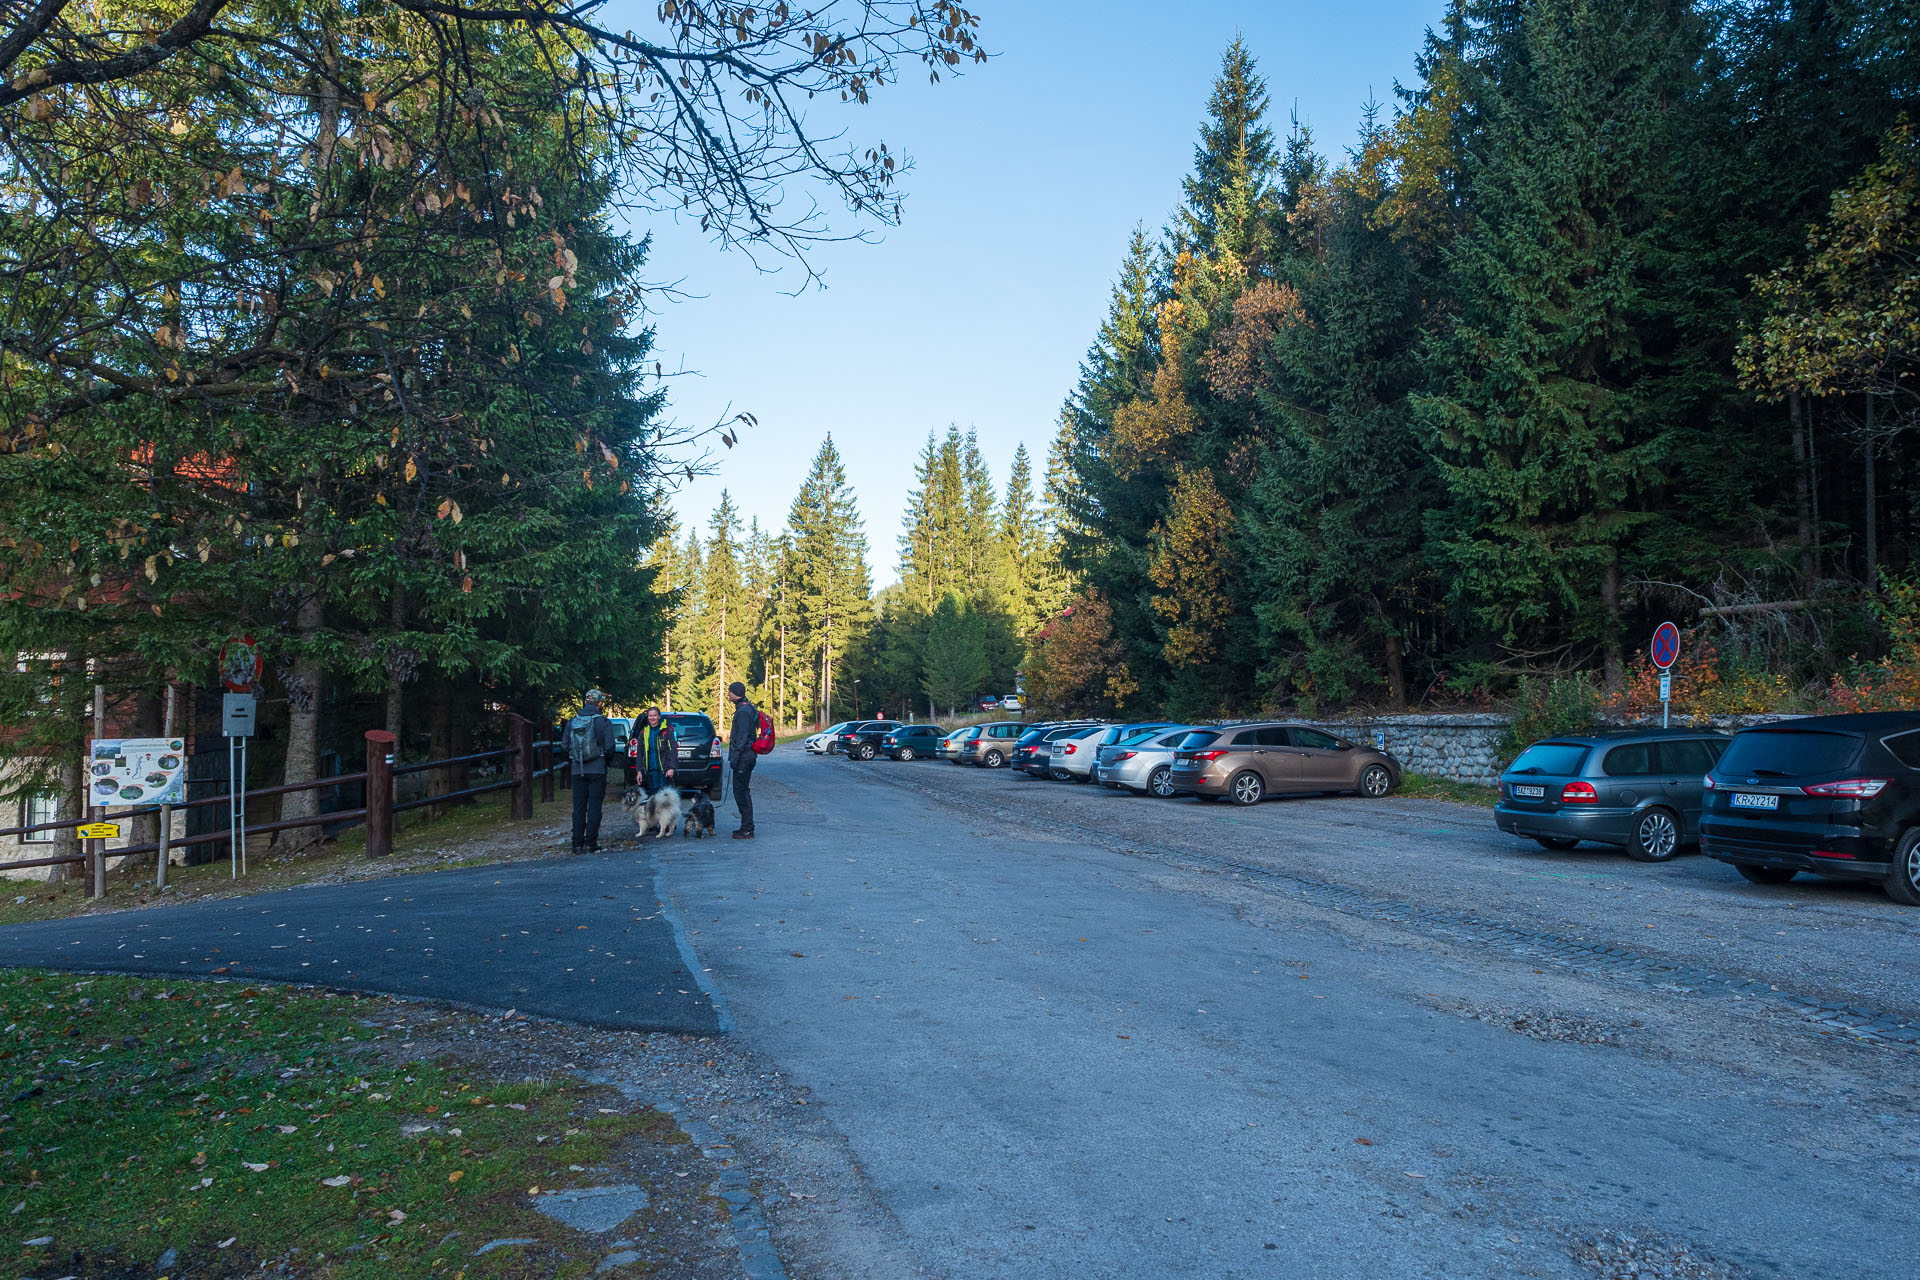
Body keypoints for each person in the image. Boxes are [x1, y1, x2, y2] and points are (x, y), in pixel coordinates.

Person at [567, 688, 618, 854]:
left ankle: (576, 844)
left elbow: (564, 746)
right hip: (597, 768)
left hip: (577, 769)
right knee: (595, 806)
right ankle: (590, 843)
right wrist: (605, 762)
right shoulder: (603, 721)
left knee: (579, 806)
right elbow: (610, 747)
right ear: (599, 703)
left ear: (585, 702)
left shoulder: (573, 721)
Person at [725, 681, 758, 839]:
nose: (728, 694)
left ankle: (747, 829)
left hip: (744, 757)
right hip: (747, 756)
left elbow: (743, 736)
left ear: (734, 693)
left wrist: (735, 757)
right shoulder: (746, 708)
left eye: (730, 692)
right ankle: (746, 827)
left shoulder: (743, 711)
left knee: (741, 792)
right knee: (742, 791)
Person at [629, 706, 678, 795]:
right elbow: (639, 753)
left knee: (666, 799)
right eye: (650, 716)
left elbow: (673, 750)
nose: (652, 718)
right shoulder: (644, 732)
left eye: (655, 715)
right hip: (651, 771)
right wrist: (639, 771)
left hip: (665, 771)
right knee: (653, 797)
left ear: (659, 716)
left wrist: (672, 768)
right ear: (647, 717)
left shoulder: (667, 731)